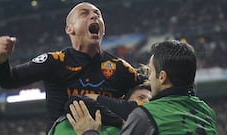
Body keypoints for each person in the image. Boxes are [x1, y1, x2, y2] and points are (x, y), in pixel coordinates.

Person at [0, 2, 144, 131]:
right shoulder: (55, 61)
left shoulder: (119, 67)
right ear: (70, 29)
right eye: (84, 13)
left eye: (98, 13)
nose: (94, 15)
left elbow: (152, 88)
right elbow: (8, 80)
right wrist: (0, 60)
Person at [66, 40, 218, 135]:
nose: (149, 78)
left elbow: (76, 100)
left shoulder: (146, 116)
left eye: (151, 72)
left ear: (163, 77)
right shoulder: (207, 112)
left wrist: (89, 132)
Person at [47, 83, 152, 135]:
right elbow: (76, 100)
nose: (146, 102)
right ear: (123, 100)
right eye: (140, 98)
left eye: (151, 101)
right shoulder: (73, 120)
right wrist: (120, 123)